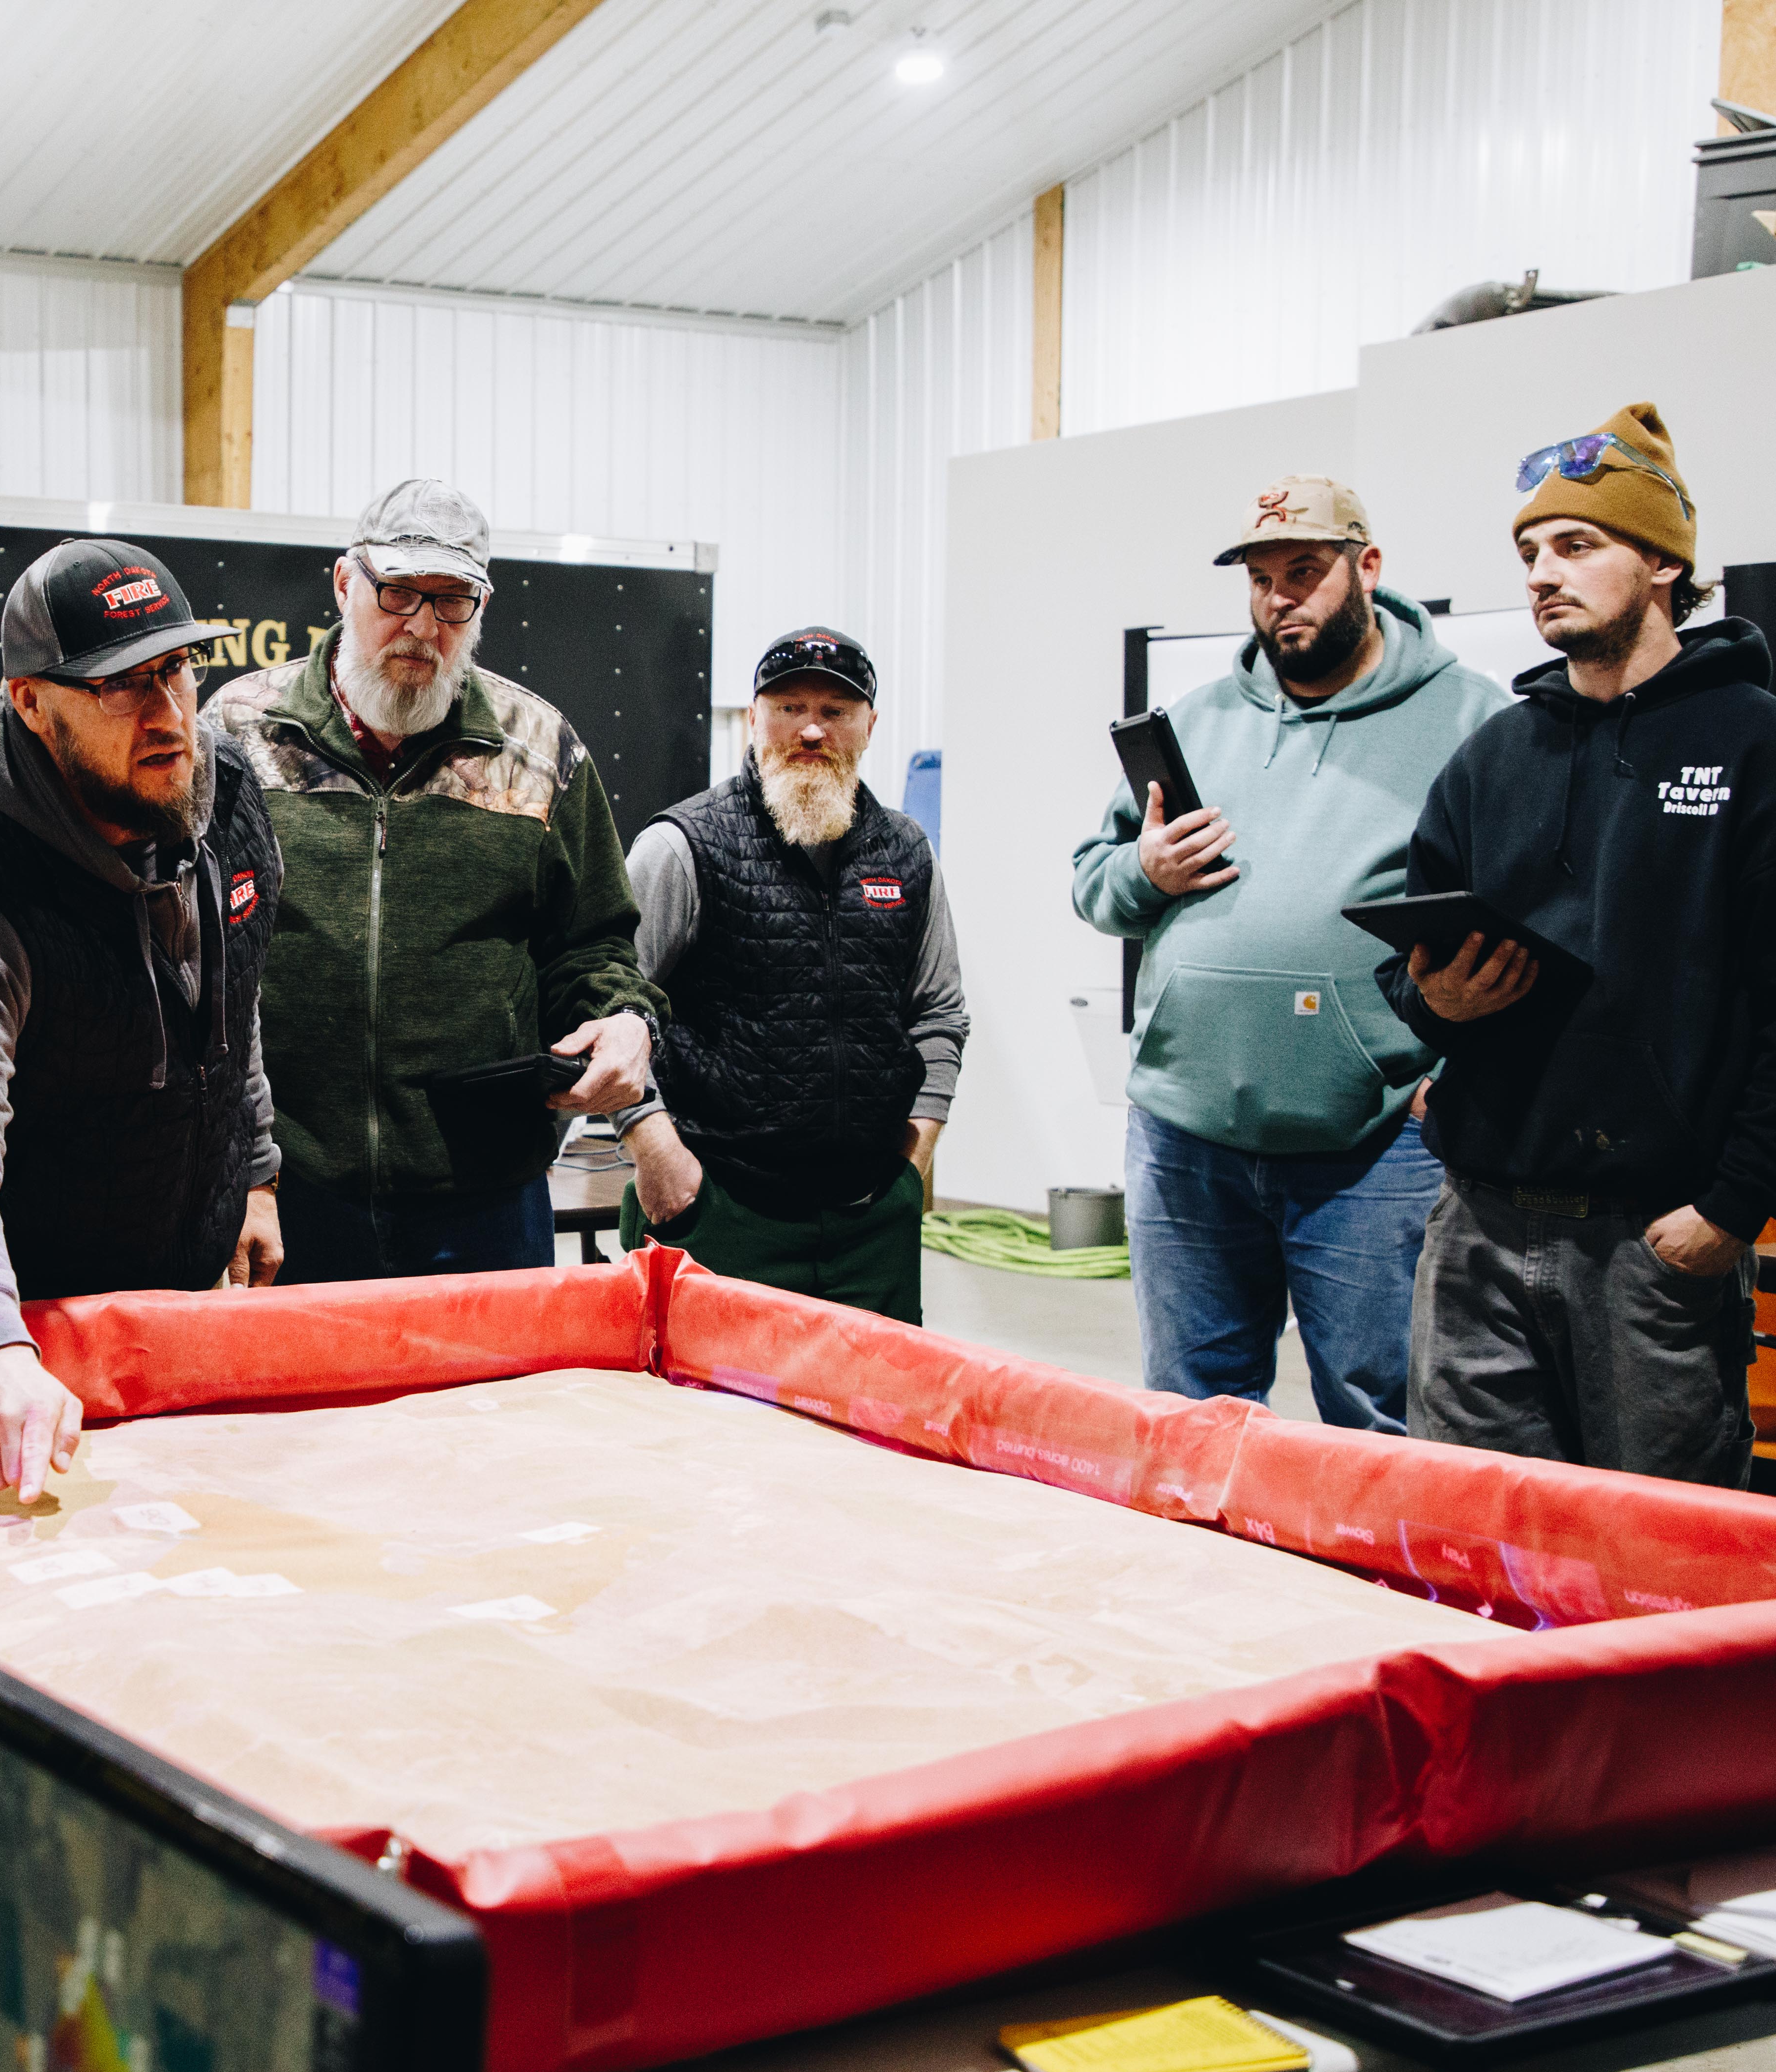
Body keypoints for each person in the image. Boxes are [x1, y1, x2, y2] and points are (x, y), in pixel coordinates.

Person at [1383, 403, 1775, 1486]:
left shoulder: (1750, 740)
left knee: (1656, 1564)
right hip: (1477, 1224)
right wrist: (1436, 1008)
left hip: (1651, 1241)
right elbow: (1407, 959)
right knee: (1469, 1543)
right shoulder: (1494, 754)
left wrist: (1729, 1210)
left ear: (1660, 563)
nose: (1542, 572)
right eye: (1528, 552)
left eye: (1576, 544)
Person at [1071, 478, 1504, 1427]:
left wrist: (1456, 1067)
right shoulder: (1194, 719)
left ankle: (1377, 1584)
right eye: (1262, 578)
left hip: (1370, 1140)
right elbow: (1091, 885)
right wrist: (1144, 871)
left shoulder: (1473, 722)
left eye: (1304, 572)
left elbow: (1517, 923)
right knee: (1191, 1411)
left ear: (1368, 569)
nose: (1280, 597)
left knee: (1378, 1412)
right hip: (1183, 1133)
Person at [0, 538, 281, 1503]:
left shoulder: (227, 804)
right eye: (121, 687)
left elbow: (238, 1002)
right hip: (26, 1350)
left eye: (177, 670)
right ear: (30, 701)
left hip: (183, 1305)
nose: (169, 716)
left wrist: (256, 1175)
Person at [207, 480, 658, 1280]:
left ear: (481, 610)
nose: (421, 627)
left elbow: (593, 944)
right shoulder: (237, 733)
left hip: (484, 1198)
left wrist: (624, 1019)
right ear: (345, 584)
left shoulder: (538, 750)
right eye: (399, 592)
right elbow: (193, 957)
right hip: (288, 1187)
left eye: (452, 602)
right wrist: (239, 1167)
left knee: (487, 1408)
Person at [614, 628, 964, 1322]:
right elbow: (613, 1009)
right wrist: (655, 1152)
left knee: (871, 1424)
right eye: (787, 707)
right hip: (717, 1211)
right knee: (696, 1428)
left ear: (869, 725)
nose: (810, 729)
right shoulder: (682, 846)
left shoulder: (906, 850)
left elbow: (938, 1012)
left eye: (835, 711)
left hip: (872, 1222)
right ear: (753, 718)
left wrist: (916, 1152)